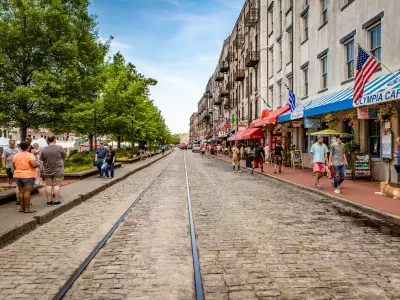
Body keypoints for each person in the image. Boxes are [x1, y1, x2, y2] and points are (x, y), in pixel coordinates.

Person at [40, 136, 67, 206]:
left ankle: (48, 201)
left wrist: (41, 170)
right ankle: (56, 201)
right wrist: (68, 151)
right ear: (54, 140)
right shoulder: (59, 148)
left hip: (47, 170)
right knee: (56, 185)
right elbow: (65, 156)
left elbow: (41, 161)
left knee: (48, 185)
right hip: (58, 170)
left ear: (48, 140)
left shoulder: (44, 149)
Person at [13, 141, 39, 213]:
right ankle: (27, 209)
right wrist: (38, 164)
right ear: (28, 147)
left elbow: (14, 166)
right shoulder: (30, 155)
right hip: (28, 175)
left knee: (21, 192)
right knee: (27, 192)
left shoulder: (16, 155)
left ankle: (22, 208)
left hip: (17, 175)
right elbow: (33, 165)